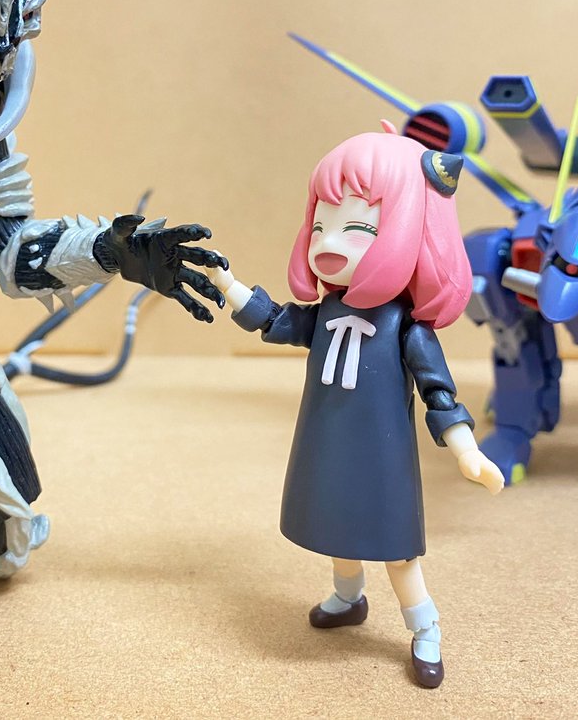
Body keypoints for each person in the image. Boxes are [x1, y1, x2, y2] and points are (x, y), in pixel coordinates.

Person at [205, 125, 503, 688]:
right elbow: (276, 321)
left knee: (396, 551)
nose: (329, 242)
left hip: (382, 455)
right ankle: (348, 597)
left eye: (359, 227)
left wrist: (466, 450)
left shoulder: (405, 329)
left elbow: (439, 392)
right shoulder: (326, 312)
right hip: (326, 441)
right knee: (334, 526)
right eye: (321, 225)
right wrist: (229, 285)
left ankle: (425, 628)